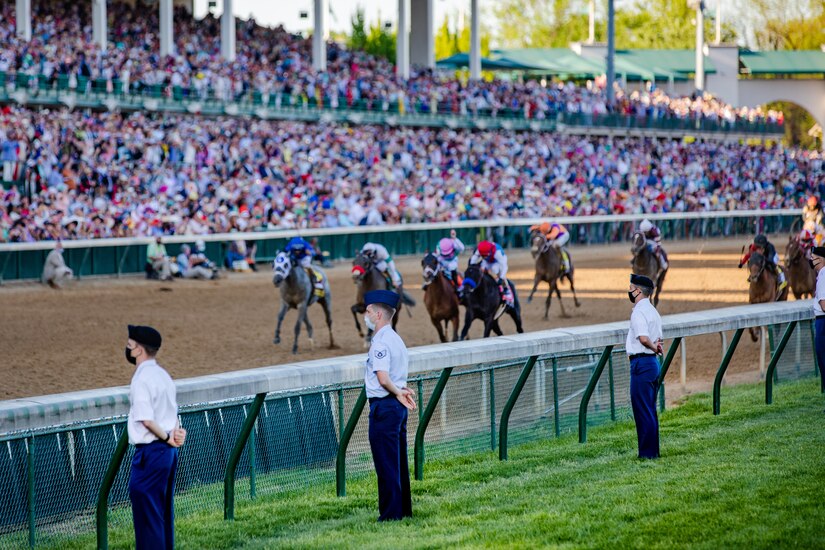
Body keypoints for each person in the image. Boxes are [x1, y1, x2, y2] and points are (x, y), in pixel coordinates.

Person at [125, 325, 187, 549]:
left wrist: (168, 437)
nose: (128, 349)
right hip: (167, 455)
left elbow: (146, 419)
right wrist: (176, 434)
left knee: (148, 520)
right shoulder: (163, 375)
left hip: (151, 453)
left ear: (139, 350)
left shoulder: (141, 379)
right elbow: (173, 413)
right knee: (162, 516)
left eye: (130, 346)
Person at [363, 290, 416, 521]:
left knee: (386, 465)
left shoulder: (380, 343)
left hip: (385, 407)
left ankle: (390, 516)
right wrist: (400, 392)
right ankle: (403, 510)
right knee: (398, 463)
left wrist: (397, 393)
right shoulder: (396, 338)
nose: (365, 315)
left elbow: (383, 378)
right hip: (395, 407)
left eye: (368, 311)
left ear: (377, 314)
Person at [626, 274, 663, 459]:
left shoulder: (638, 312)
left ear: (638, 291)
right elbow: (658, 339)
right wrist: (656, 347)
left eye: (631, 287)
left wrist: (653, 348)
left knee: (642, 410)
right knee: (649, 410)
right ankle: (652, 451)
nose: (629, 291)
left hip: (642, 363)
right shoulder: (653, 311)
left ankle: (647, 454)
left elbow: (643, 338)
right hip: (651, 365)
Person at [469, 240, 513, 306]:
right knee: (480, 269)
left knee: (495, 269)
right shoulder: (480, 250)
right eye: (482, 256)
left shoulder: (498, 253)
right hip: (487, 261)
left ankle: (506, 290)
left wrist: (501, 278)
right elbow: (473, 260)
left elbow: (504, 267)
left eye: (485, 255)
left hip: (497, 262)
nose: (483, 257)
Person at [809, 247, 825, 401]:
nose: (811, 260)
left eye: (813, 257)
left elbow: (824, 305)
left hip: (822, 323)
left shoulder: (823, 274)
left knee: (823, 362)